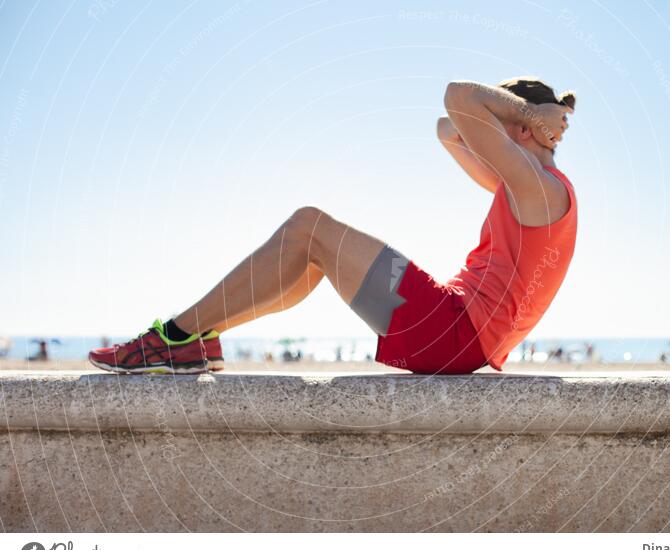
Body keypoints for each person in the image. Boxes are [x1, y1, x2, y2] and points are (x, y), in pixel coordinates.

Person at [89, 77, 577, 375]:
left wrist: (531, 114)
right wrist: (531, 116)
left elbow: (456, 98)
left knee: (309, 227)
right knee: (309, 252)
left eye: (502, 121)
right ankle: (198, 338)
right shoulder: (528, 188)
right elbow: (447, 128)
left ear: (518, 131)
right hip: (454, 333)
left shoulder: (533, 183)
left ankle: (171, 338)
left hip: (450, 332)